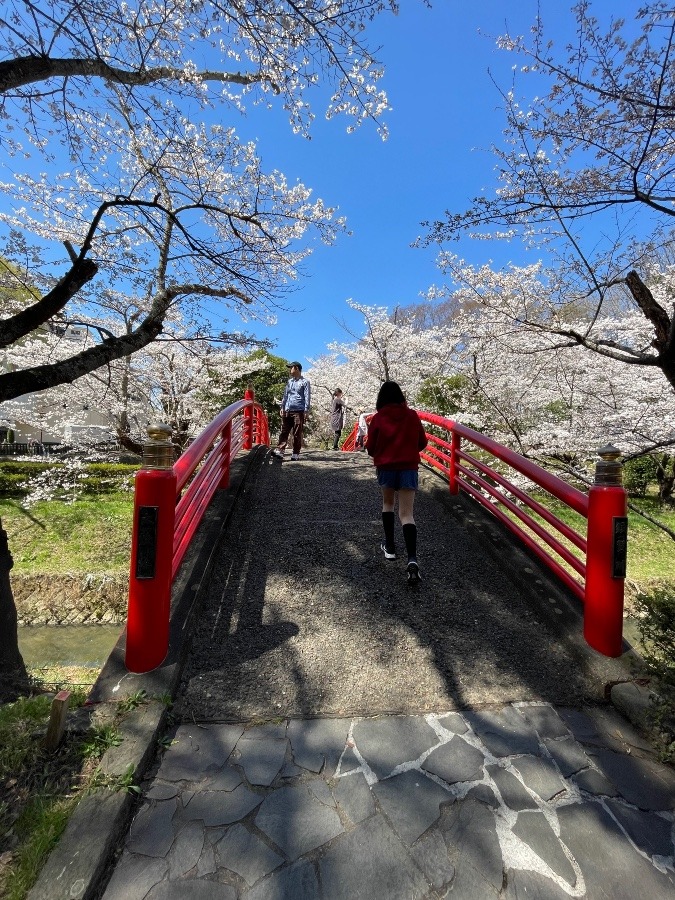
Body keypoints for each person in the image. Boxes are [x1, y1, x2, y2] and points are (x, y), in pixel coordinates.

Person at [367, 381, 427, 583]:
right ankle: (412, 559)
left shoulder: (378, 417)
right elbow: (423, 442)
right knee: (407, 513)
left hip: (386, 467)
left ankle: (390, 547)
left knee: (388, 504)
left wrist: (381, 453)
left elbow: (370, 447)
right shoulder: (412, 415)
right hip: (408, 468)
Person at [272, 361, 311, 460]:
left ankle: (296, 453)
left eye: (291, 368)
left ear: (297, 368)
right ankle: (280, 451)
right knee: (284, 431)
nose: (290, 370)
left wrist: (306, 411)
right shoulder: (290, 381)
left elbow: (307, 396)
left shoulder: (305, 382)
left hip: (299, 410)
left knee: (297, 432)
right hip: (288, 409)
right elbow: (286, 395)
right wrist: (282, 407)